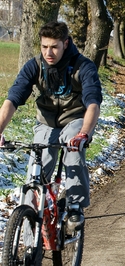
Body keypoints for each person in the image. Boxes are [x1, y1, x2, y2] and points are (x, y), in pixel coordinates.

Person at [0, 21, 102, 230]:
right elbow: (13, 99)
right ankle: (28, 242)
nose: (49, 52)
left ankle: (75, 204)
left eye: (54, 47)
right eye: (44, 46)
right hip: (45, 122)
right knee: (36, 171)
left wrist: (85, 134)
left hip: (75, 120)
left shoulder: (83, 66)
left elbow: (92, 102)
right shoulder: (35, 65)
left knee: (72, 148)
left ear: (66, 43)